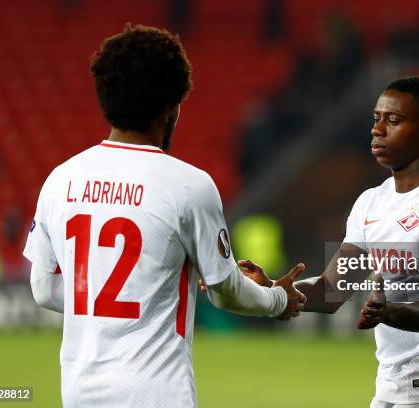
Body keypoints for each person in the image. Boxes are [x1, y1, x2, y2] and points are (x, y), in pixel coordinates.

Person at [22, 24, 306, 408]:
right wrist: (276, 300)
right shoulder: (189, 186)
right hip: (158, 396)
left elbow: (43, 288)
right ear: (171, 109)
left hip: (79, 394)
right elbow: (224, 292)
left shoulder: (61, 179)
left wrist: (121, 299)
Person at [240, 77, 419, 407]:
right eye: (376, 119)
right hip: (394, 381)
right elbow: (332, 290)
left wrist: (389, 311)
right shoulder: (371, 203)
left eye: (394, 120)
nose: (377, 129)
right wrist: (271, 289)